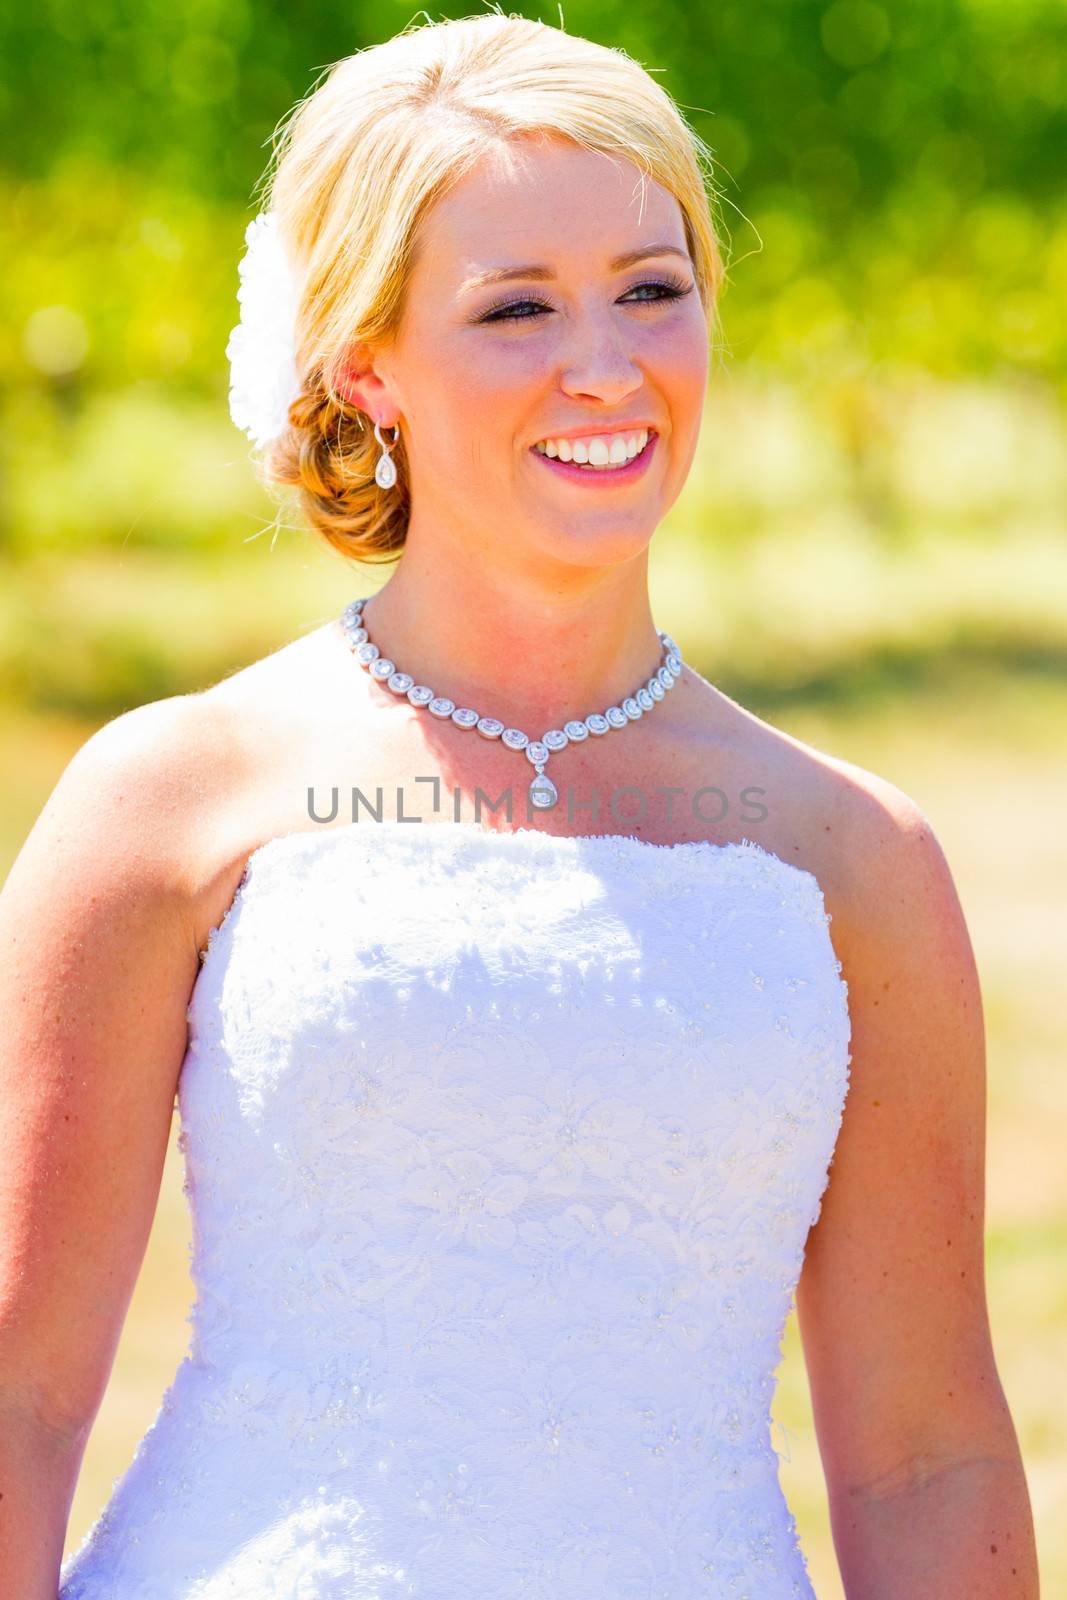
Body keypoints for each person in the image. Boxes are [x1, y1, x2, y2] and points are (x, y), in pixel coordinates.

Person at [0, 12, 1037, 1599]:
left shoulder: (856, 860)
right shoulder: (168, 802)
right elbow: (19, 1401)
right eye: (515, 309)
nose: (605, 366)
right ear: (368, 364)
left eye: (651, 290)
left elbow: (926, 1452)